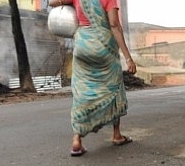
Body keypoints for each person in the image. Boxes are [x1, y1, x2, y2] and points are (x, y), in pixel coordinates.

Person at [50, 0, 136, 156]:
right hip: (104, 47)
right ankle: (117, 135)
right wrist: (128, 58)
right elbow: (114, 25)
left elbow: (52, 2)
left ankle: (77, 139)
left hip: (83, 45)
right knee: (114, 87)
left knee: (82, 91)